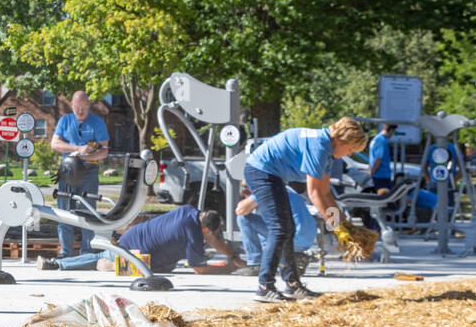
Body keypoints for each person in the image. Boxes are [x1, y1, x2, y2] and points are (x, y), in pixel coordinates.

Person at [244, 117, 368, 303]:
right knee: (279, 229)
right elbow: (315, 194)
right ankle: (264, 287)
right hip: (260, 171)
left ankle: (293, 285)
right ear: (341, 140)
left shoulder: (326, 149)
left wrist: (344, 225)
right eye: (350, 149)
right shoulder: (319, 146)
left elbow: (327, 193)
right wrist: (337, 228)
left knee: (288, 229)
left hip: (273, 175)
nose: (348, 154)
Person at [37, 205, 242, 274]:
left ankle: (116, 264)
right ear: (205, 228)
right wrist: (228, 267)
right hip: (136, 249)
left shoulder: (190, 211)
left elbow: (214, 241)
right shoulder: (193, 235)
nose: (213, 238)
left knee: (169, 266)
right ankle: (55, 264)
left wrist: (233, 255)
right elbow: (200, 270)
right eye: (211, 233)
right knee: (102, 257)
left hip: (137, 236)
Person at [49, 91, 110, 256]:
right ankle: (66, 251)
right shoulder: (65, 120)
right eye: (77, 107)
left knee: (88, 210)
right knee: (64, 211)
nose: (80, 111)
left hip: (89, 170)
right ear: (72, 106)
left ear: (89, 105)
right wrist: (77, 149)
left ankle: (87, 251)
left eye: (83, 107)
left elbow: (104, 150)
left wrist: (86, 155)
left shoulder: (97, 123)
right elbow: (55, 144)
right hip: (68, 169)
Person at [235, 182, 316, 275]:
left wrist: (249, 199)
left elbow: (240, 210)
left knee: (243, 218)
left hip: (292, 238)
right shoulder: (285, 189)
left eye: (245, 188)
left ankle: (255, 263)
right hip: (306, 241)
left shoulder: (264, 189)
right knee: (267, 226)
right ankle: (294, 257)